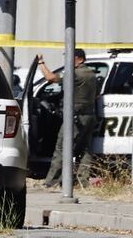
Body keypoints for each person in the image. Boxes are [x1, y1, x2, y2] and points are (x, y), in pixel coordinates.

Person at [37, 48, 98, 187]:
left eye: (71, 57)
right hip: (89, 116)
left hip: (75, 117)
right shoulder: (91, 74)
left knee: (62, 148)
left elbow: (50, 78)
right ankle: (84, 182)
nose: (67, 60)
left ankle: (51, 182)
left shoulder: (74, 73)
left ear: (80, 59)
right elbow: (96, 95)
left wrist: (41, 62)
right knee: (85, 150)